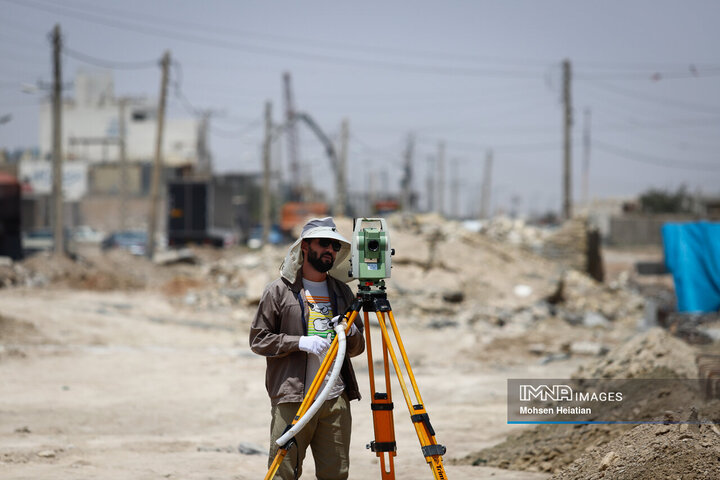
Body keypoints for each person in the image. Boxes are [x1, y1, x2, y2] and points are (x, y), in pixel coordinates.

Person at [249, 217, 365, 480]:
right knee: (283, 474)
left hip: (334, 399)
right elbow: (258, 340)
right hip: (293, 398)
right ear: (305, 247)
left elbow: (358, 348)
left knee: (336, 475)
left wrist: (352, 332)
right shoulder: (279, 291)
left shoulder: (343, 293)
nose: (330, 250)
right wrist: (299, 342)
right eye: (324, 243)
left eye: (335, 246)